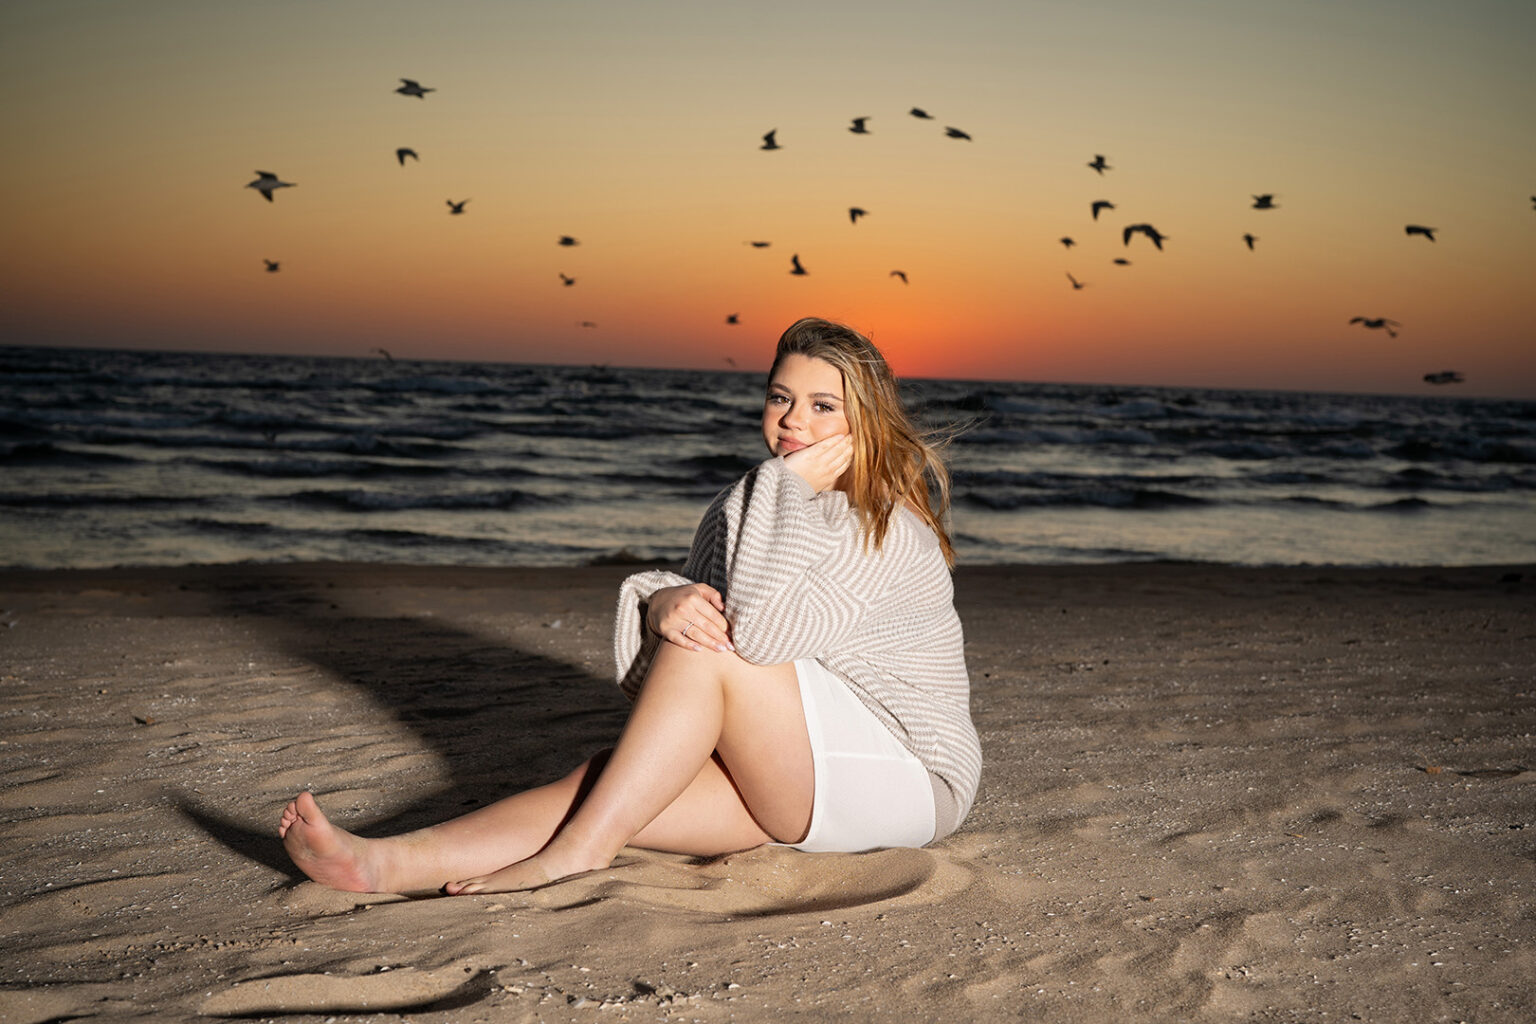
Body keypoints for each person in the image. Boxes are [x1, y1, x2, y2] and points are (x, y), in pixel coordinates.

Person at [278, 317, 981, 895]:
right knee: (607, 780)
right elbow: (671, 695)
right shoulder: (747, 506)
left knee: (699, 668)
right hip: (807, 768)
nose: (792, 420)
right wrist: (660, 602)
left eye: (822, 407)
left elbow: (755, 641)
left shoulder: (883, 527)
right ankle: (378, 865)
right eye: (779, 397)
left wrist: (780, 487)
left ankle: (579, 854)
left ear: (864, 423)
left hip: (910, 776)